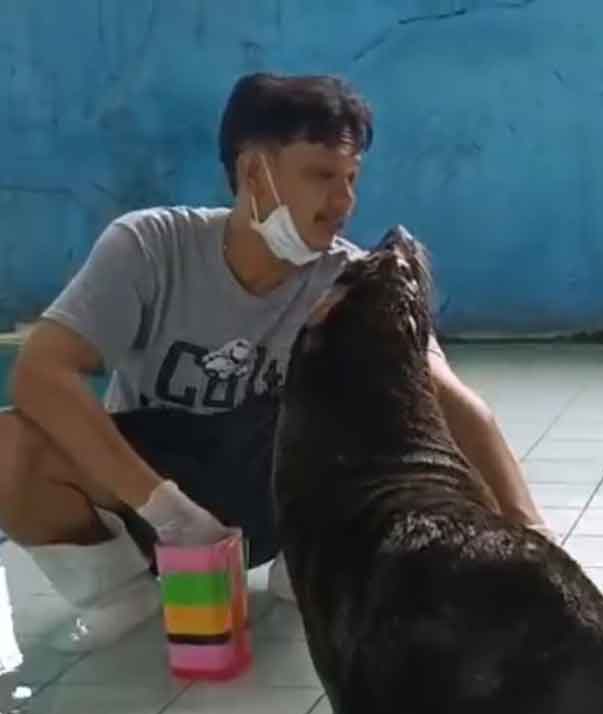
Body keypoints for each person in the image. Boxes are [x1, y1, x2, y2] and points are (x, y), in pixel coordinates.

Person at [0, 72, 547, 654]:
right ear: (253, 171)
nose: (343, 203)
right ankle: (123, 601)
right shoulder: (149, 247)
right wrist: (166, 510)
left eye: (352, 179)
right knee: (9, 442)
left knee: (399, 418)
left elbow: (449, 401)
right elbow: (41, 373)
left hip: (282, 498)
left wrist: (531, 531)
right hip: (155, 497)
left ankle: (311, 569)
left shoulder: (349, 279)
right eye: (321, 176)